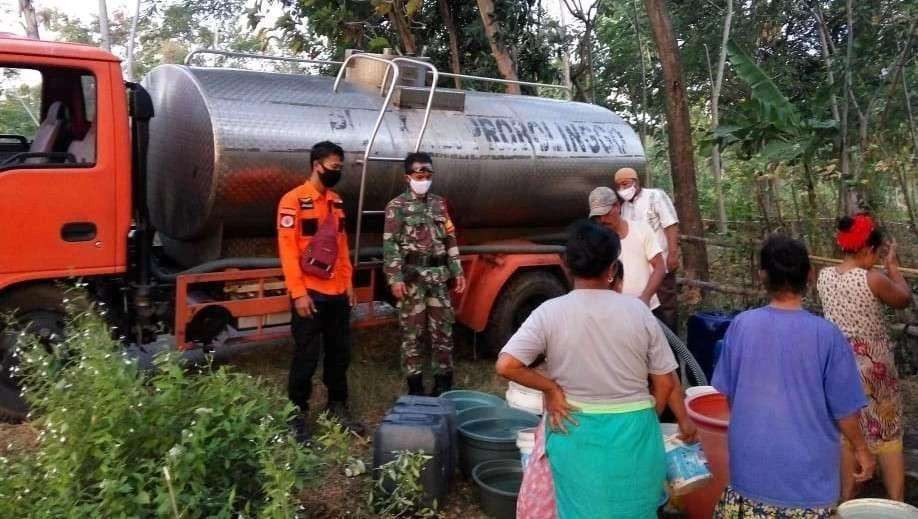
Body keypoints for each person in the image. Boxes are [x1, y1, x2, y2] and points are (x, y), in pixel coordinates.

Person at [496, 220, 678, 518]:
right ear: (612, 269)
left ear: (567, 267)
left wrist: (550, 388)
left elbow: (506, 364)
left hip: (573, 428)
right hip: (635, 433)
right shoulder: (639, 313)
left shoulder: (548, 313)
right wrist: (643, 418)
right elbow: (666, 384)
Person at [712, 235, 875, 518]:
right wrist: (862, 449)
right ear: (809, 275)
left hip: (750, 475)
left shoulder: (741, 326)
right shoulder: (827, 336)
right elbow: (845, 411)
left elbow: (731, 395)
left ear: (762, 275)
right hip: (807, 486)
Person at [816, 214, 912, 502]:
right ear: (867, 250)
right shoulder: (873, 278)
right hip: (873, 369)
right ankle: (895, 502)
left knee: (847, 434)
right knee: (887, 432)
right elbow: (903, 299)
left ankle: (845, 500)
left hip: (837, 367)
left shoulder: (825, 276)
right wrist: (893, 269)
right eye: (877, 253)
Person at [277, 141, 356, 441]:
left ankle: (337, 406)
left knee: (339, 354)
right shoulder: (292, 202)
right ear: (316, 165)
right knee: (306, 357)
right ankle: (296, 417)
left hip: (336, 293)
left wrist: (348, 283)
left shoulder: (336, 202)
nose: (337, 172)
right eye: (334, 167)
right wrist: (298, 293)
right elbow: (287, 251)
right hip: (310, 293)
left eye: (340, 168)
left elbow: (342, 247)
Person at [384, 152, 466, 396]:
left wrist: (457, 270)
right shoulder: (396, 207)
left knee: (443, 332)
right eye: (420, 174)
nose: (424, 178)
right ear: (407, 177)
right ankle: (416, 388)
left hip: (439, 279)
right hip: (413, 281)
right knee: (413, 334)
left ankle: (443, 385)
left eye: (428, 174)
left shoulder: (439, 204)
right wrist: (395, 278)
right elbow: (390, 245)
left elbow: (450, 237)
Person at [614, 167, 680, 331]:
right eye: (619, 186)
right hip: (642, 271)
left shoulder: (655, 196)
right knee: (649, 309)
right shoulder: (625, 208)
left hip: (661, 262)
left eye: (625, 184)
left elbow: (670, 224)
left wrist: (673, 254)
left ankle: (673, 347)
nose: (623, 189)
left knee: (666, 306)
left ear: (635, 182)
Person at [589, 186, 664, 308]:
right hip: (615, 310)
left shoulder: (641, 229)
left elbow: (659, 267)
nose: (602, 219)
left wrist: (645, 298)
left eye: (606, 213)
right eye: (597, 217)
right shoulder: (597, 241)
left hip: (648, 307)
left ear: (617, 206)